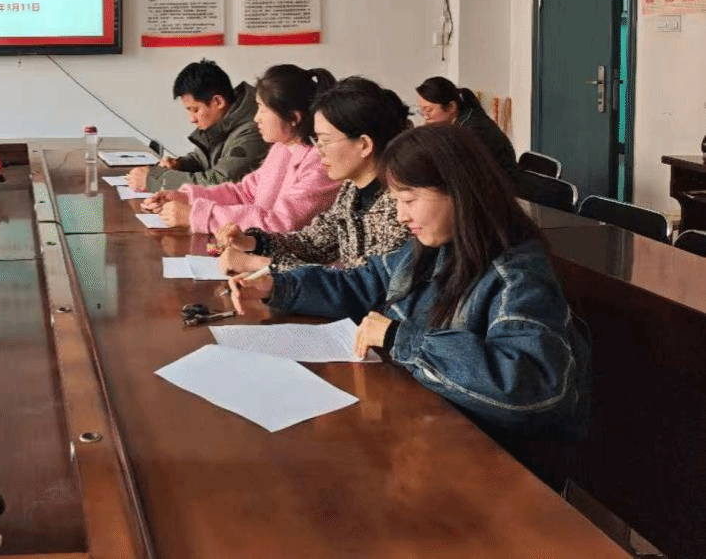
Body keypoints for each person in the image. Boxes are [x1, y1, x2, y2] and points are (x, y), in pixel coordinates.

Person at [230, 124, 591, 438]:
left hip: (492, 460)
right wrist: (277, 286)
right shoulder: (433, 248)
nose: (401, 216)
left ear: (459, 191)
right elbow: (361, 284)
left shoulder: (516, 277)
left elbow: (532, 388)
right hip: (429, 425)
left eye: (409, 200)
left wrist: (400, 338)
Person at [216, 77, 411, 273]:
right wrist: (252, 242)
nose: (319, 151)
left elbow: (359, 282)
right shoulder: (352, 190)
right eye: (317, 140)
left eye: (326, 141)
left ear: (364, 145)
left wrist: (260, 264)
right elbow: (312, 244)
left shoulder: (399, 205)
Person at [141, 65, 340, 233]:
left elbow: (279, 224)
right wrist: (187, 197)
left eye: (263, 109)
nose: (256, 117)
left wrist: (197, 215)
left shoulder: (320, 163)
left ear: (293, 118)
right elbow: (244, 193)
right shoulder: (281, 148)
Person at [126, 59, 269, 192]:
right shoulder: (225, 120)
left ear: (218, 102)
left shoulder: (253, 130)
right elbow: (202, 158)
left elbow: (220, 182)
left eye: (195, 110)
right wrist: (179, 164)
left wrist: (156, 180)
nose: (192, 119)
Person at [415, 76, 519, 184]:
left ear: (451, 107)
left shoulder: (472, 130)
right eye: (422, 110)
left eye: (428, 110)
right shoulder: (464, 121)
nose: (425, 116)